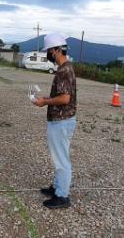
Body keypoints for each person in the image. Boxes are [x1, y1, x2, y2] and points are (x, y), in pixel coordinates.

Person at [30, 33, 77, 209]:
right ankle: (57, 187)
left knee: (61, 159)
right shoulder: (66, 67)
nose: (48, 54)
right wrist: (47, 98)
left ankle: (62, 196)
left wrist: (45, 102)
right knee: (59, 157)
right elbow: (62, 95)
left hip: (61, 121)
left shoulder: (64, 70)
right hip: (63, 120)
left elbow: (64, 98)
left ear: (57, 50)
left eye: (49, 51)